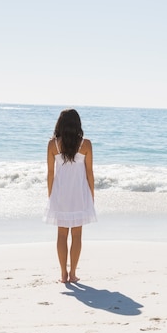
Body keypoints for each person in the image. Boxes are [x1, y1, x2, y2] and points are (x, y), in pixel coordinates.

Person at [44, 109, 97, 283]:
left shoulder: (53, 144)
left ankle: (62, 274)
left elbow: (50, 174)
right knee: (77, 234)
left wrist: (51, 194)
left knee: (61, 234)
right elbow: (89, 173)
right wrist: (92, 194)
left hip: (60, 194)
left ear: (60, 123)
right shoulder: (86, 144)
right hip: (79, 194)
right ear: (77, 124)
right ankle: (73, 273)